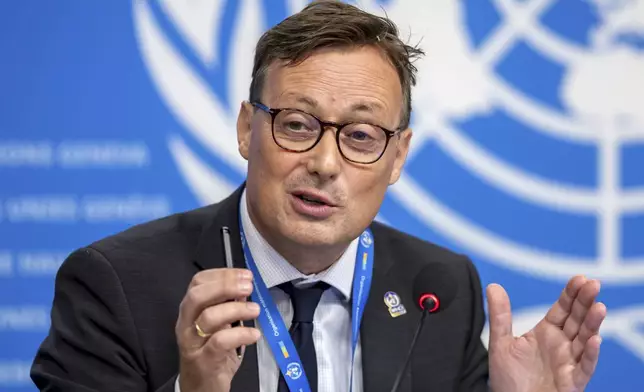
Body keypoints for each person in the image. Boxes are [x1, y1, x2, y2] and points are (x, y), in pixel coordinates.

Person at [30, 1, 606, 392]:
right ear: (244, 130)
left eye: (360, 135)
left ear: (398, 156)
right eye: (298, 124)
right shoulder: (117, 285)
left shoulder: (439, 287)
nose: (325, 164)